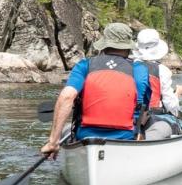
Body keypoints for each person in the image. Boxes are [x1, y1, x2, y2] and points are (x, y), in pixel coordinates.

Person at [41, 23, 151, 158]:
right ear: (128, 47)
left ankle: (55, 146)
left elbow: (66, 97)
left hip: (86, 138)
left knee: (65, 131)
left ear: (104, 45)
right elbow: (144, 108)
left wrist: (53, 141)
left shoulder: (84, 65)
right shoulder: (140, 69)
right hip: (127, 138)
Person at [134, 28, 182, 140]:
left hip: (131, 117)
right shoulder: (162, 70)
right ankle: (145, 142)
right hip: (152, 117)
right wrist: (178, 94)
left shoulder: (127, 66)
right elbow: (172, 107)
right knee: (173, 125)